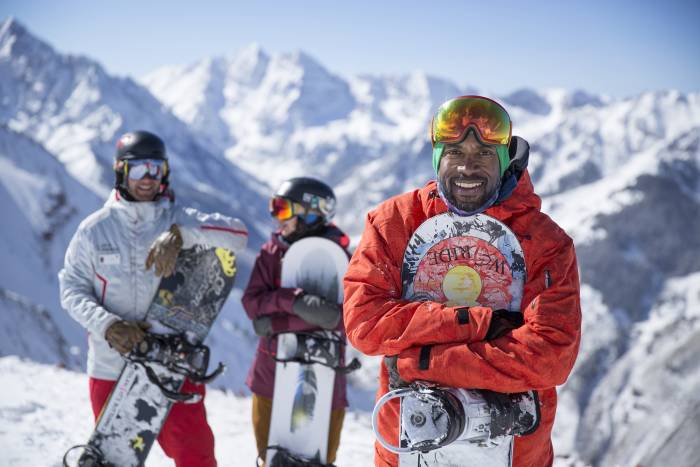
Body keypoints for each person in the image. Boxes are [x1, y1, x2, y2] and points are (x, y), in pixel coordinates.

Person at [343, 96, 581, 466]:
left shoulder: (546, 243)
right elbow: (364, 322)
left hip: (516, 452)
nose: (468, 166)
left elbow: (551, 357)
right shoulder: (394, 222)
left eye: (484, 154)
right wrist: (478, 323)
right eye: (454, 152)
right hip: (406, 447)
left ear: (504, 160)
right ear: (439, 157)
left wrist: (422, 361)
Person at [59, 130, 248, 467]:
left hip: (173, 363)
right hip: (110, 366)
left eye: (155, 168)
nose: (147, 177)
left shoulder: (179, 218)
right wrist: (108, 325)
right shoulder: (94, 230)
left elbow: (238, 235)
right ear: (120, 171)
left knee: (196, 456)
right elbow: (71, 289)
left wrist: (180, 234)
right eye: (137, 168)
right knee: (114, 459)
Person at [242, 177, 350, 465]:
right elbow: (252, 304)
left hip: (326, 382)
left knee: (319, 458)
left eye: (282, 209)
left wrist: (277, 324)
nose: (277, 219)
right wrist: (295, 301)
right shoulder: (271, 253)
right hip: (270, 377)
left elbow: (345, 319)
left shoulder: (340, 259)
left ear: (310, 214)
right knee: (271, 457)